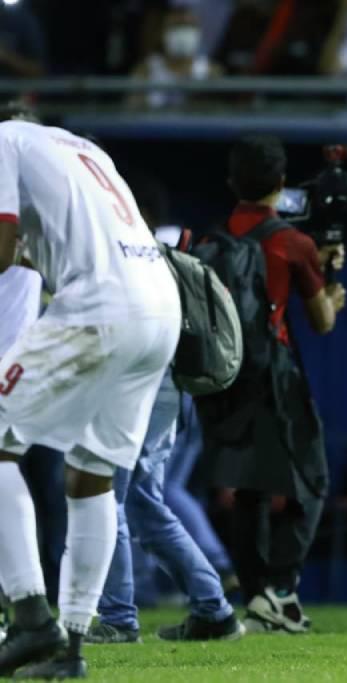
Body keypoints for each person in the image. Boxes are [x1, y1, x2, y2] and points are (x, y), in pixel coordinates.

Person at [0, 115, 181, 678]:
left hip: (101, 306)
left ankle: (30, 615)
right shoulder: (81, 149)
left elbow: (3, 249)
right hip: (158, 307)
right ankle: (70, 648)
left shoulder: (1, 139)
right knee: (90, 474)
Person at [86, 174, 243, 645]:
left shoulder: (120, 250)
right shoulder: (161, 250)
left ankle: (118, 617)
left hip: (135, 385)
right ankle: (213, 609)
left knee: (106, 496)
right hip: (169, 387)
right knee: (142, 501)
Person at [204, 136, 345, 635]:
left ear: (231, 182)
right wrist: (333, 286)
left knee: (249, 488)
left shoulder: (213, 236)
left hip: (224, 374)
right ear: (282, 184)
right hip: (275, 373)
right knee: (312, 479)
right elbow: (323, 320)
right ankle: (280, 591)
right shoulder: (294, 242)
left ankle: (258, 593)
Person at [129, 5, 224, 110]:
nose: (183, 32)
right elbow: (132, 111)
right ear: (162, 32)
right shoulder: (145, 70)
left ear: (199, 31)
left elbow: (219, 112)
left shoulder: (212, 72)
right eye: (176, 26)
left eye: (189, 26)